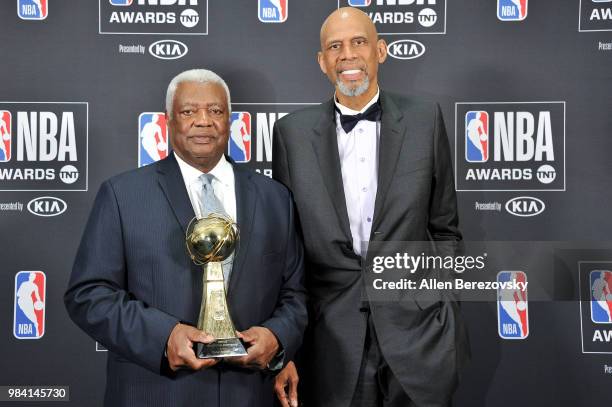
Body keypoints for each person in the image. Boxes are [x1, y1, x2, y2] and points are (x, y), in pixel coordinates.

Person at [65, 69, 307, 407]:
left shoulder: (274, 198)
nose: (203, 121)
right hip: (156, 391)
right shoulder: (122, 195)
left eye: (216, 111)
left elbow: (296, 293)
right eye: (189, 111)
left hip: (249, 393)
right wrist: (163, 337)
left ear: (231, 120)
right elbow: (88, 295)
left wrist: (277, 336)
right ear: (168, 121)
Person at [272, 7, 470, 407]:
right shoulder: (290, 133)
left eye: (359, 42)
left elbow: (445, 227)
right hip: (331, 341)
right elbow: (286, 248)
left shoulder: (425, 120)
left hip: (420, 334)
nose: (348, 54)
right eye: (335, 46)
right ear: (322, 61)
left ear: (380, 50)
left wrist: (441, 306)